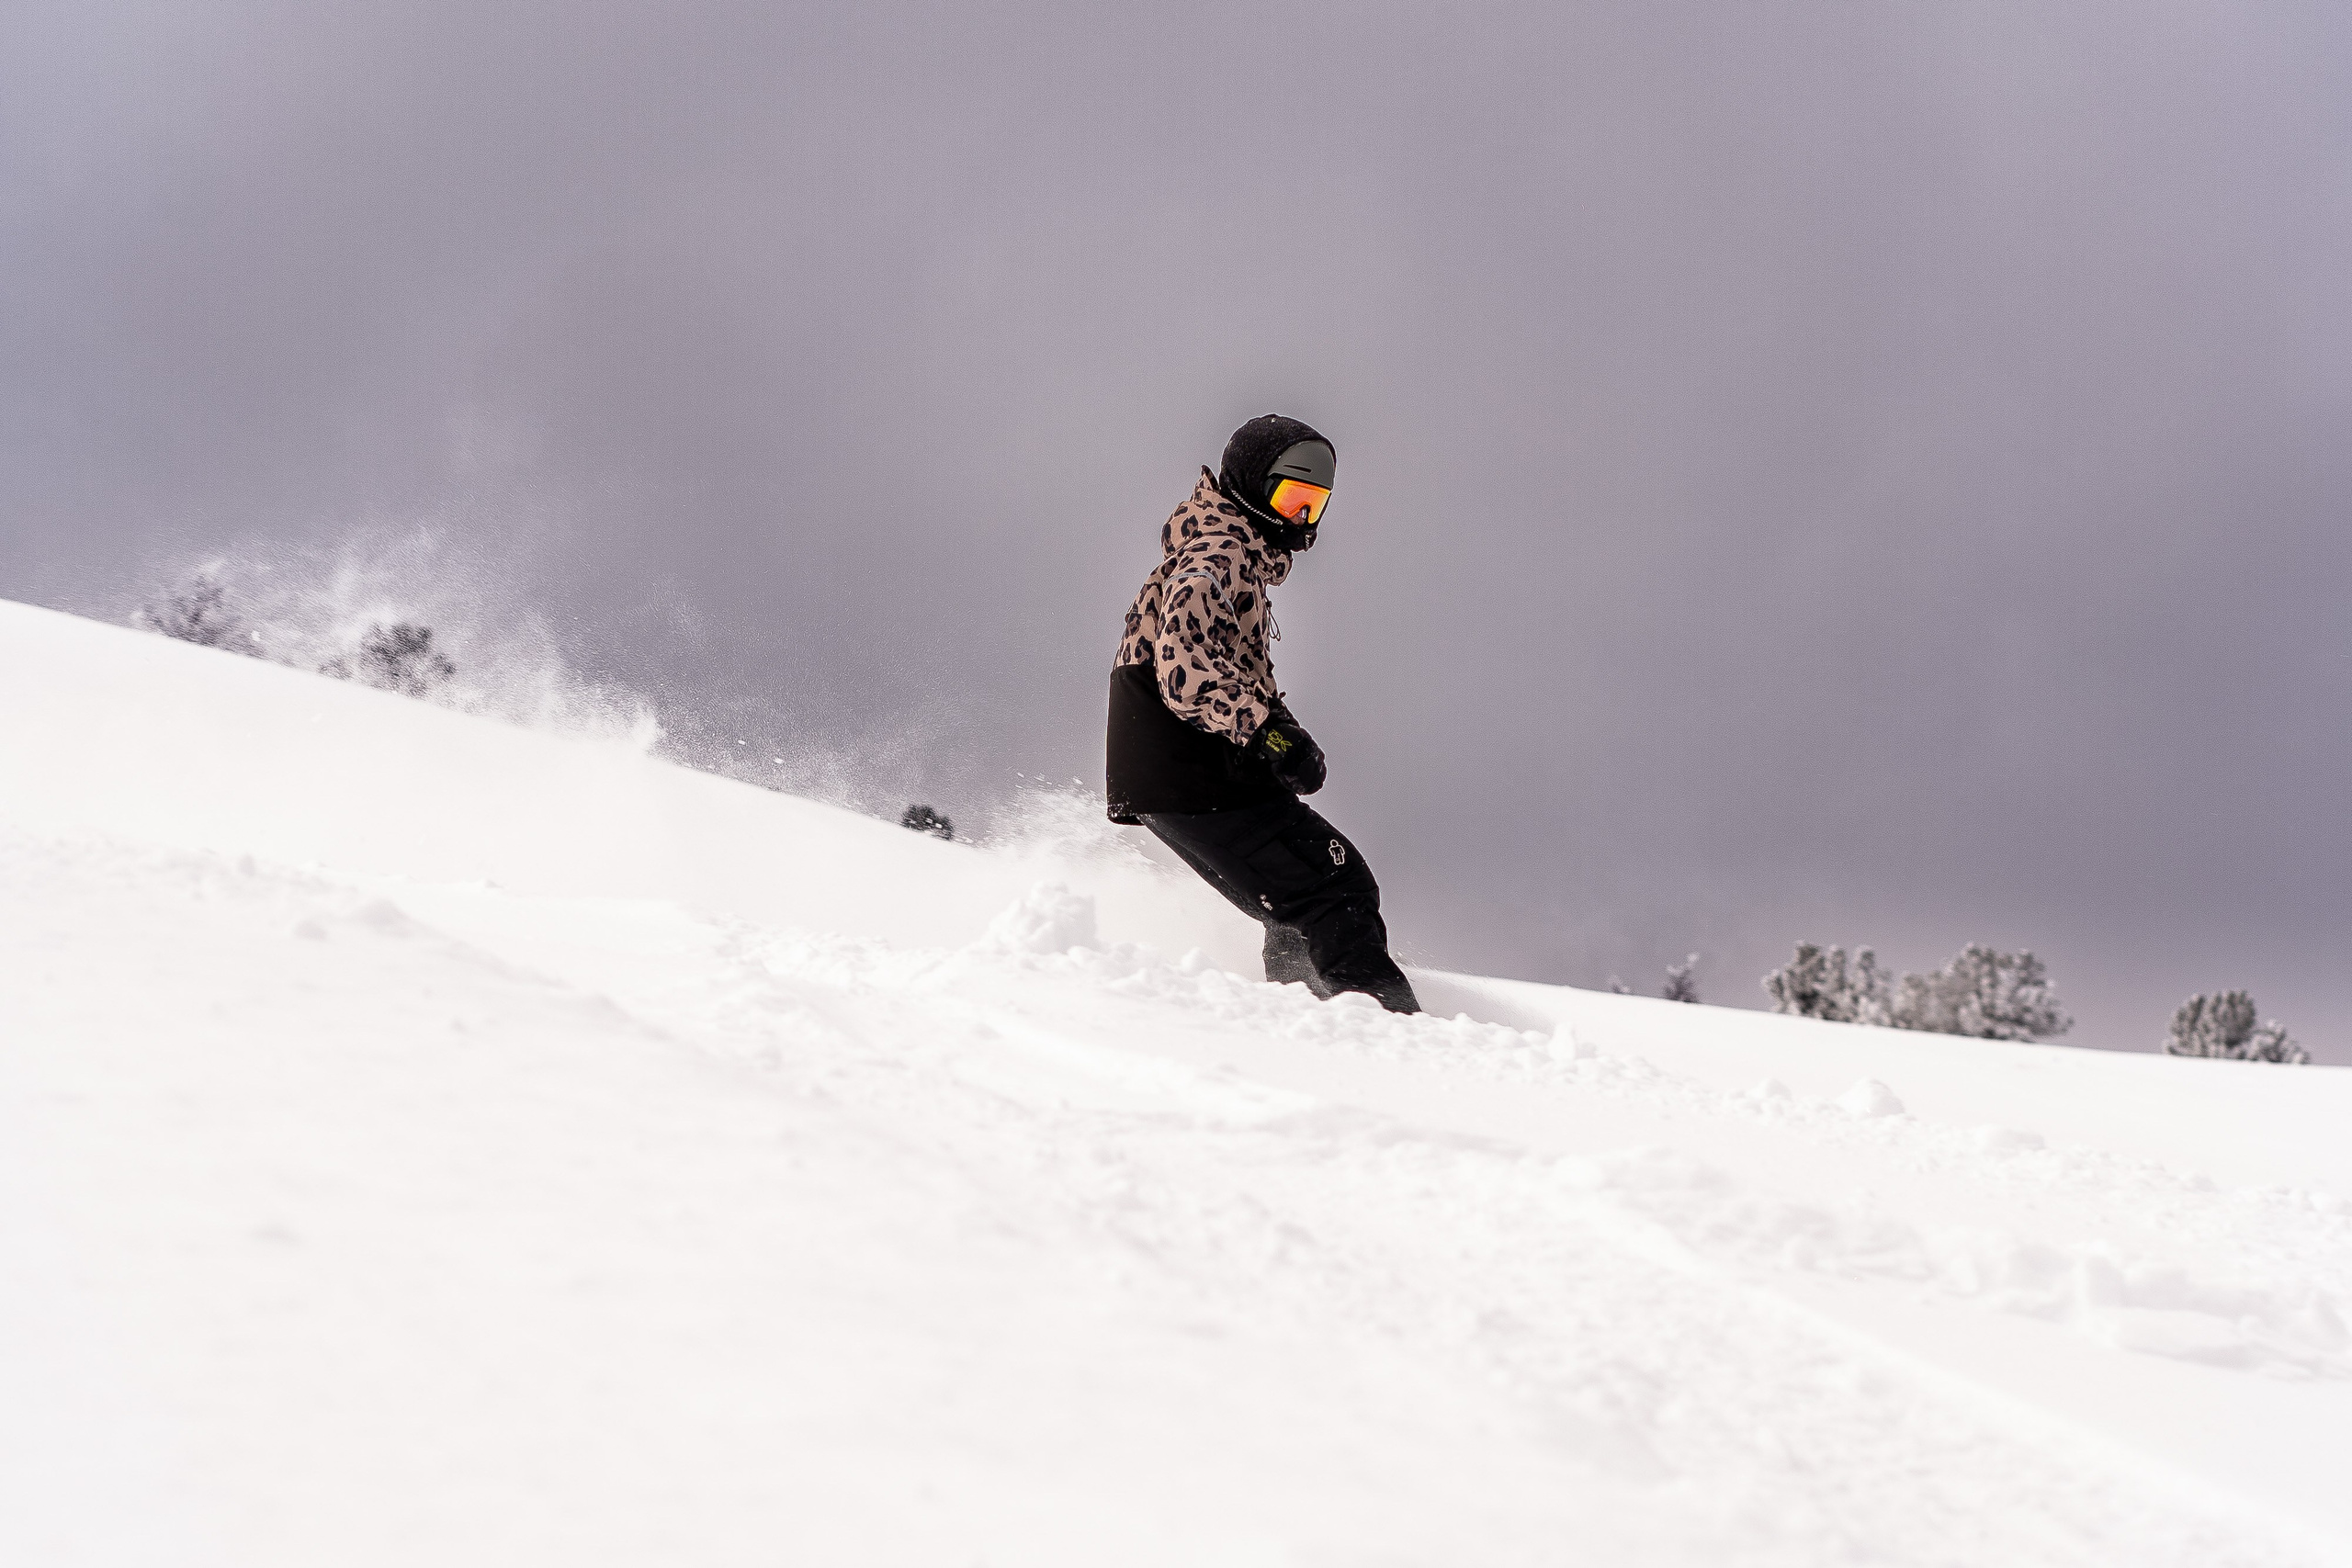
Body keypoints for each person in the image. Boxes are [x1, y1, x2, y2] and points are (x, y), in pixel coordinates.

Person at [1105, 413, 1419, 1014]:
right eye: (1290, 498)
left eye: (1313, 503)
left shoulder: (1229, 551)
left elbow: (1218, 659)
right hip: (1185, 764)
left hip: (1176, 764)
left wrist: (1276, 727)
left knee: (1302, 898)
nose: (1300, 518)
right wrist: (1271, 735)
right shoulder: (1219, 550)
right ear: (1251, 486)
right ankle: (1385, 1034)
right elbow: (1183, 662)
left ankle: (1302, 1016)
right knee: (1336, 888)